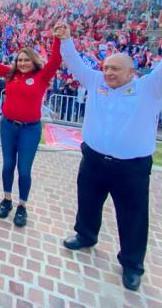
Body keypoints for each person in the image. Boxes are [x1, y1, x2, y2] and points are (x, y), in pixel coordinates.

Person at [55, 22, 161, 292]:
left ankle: (131, 264)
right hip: (93, 160)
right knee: (88, 201)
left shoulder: (149, 88)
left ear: (132, 72)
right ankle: (85, 235)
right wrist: (66, 38)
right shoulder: (96, 82)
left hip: (132, 167)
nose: (108, 73)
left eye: (115, 69)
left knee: (133, 215)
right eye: (106, 68)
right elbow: (74, 62)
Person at [0, 30, 61, 227]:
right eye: (19, 60)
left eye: (26, 60)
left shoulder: (42, 76)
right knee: (8, 165)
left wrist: (57, 38)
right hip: (8, 126)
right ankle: (7, 199)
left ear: (33, 61)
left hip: (30, 130)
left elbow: (55, 60)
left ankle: (22, 206)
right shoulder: (11, 75)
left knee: (24, 170)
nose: (22, 63)